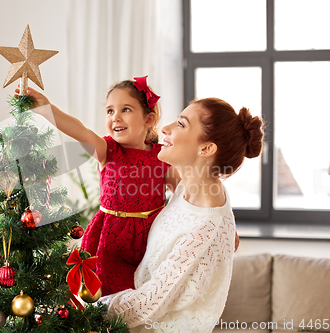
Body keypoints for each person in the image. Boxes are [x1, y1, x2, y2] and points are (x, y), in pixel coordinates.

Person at [100, 97, 264, 333]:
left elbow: (148, 303)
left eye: (181, 124)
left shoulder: (205, 225)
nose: (165, 129)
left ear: (206, 148)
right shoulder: (193, 186)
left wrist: (88, 308)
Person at [15, 76, 180, 296]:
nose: (116, 118)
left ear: (149, 119)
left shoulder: (162, 157)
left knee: (143, 297)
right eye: (110, 111)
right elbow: (80, 131)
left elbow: (185, 196)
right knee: (106, 299)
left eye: (126, 110)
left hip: (151, 239)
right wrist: (47, 108)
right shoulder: (107, 149)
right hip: (109, 240)